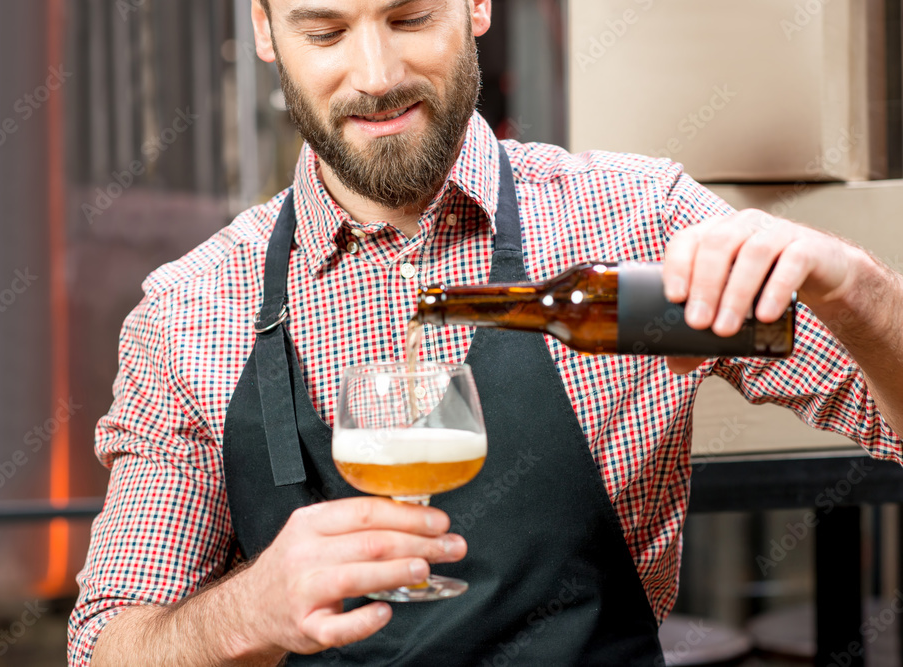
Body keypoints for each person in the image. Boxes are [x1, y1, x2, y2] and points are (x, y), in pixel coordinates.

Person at [68, 0, 903, 664]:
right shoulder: (192, 309)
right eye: (324, 30)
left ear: (476, 4)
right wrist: (245, 614)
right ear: (264, 29)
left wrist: (859, 291)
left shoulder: (635, 221)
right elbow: (108, 645)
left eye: (409, 18)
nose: (376, 74)